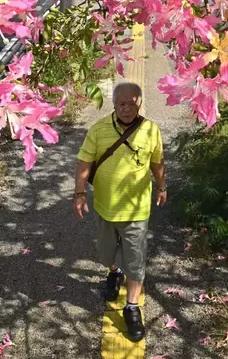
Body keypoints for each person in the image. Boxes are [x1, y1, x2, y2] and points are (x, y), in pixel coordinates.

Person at [73, 82, 167, 342]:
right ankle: (114, 271)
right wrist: (79, 194)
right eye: (122, 103)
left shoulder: (150, 130)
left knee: (135, 262)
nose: (127, 108)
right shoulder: (99, 129)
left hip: (137, 210)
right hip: (105, 207)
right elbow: (84, 163)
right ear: (114, 104)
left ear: (139, 103)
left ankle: (132, 307)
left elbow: (157, 162)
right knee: (106, 254)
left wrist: (162, 187)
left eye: (132, 103)